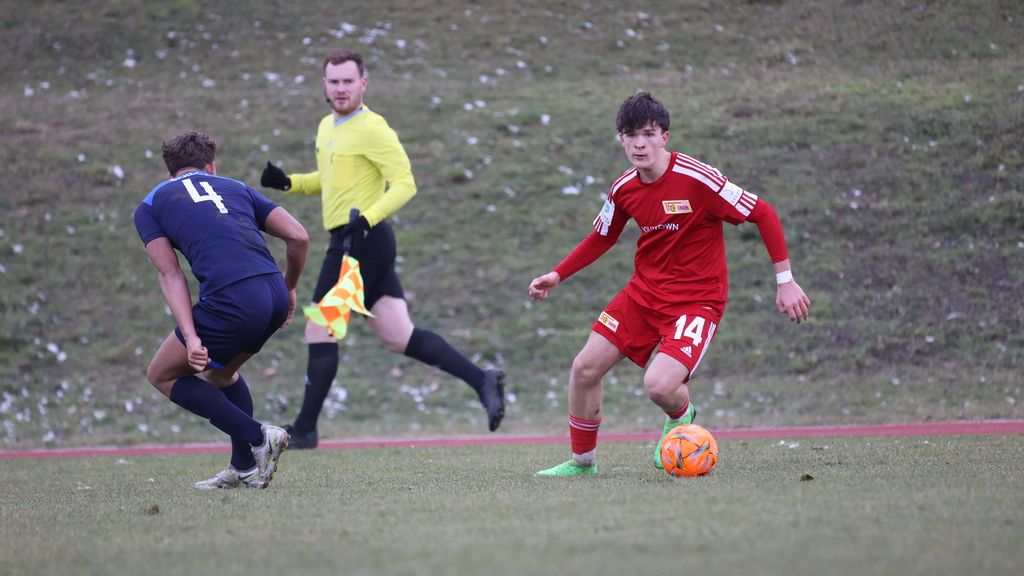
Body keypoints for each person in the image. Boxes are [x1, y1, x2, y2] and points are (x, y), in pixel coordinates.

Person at [529, 93, 810, 476]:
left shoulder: (698, 179)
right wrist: (558, 274)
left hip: (697, 301)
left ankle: (683, 414)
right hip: (643, 296)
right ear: (621, 140)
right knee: (584, 368)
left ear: (665, 136)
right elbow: (603, 236)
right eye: (630, 135)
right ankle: (582, 464)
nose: (639, 143)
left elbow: (763, 212)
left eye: (648, 134)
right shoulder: (624, 188)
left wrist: (786, 282)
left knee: (659, 386)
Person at [259, 48, 505, 449]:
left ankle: (305, 429)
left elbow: (405, 182)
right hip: (351, 239)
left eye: (348, 81)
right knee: (397, 334)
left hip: (362, 241)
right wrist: (289, 183)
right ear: (324, 85)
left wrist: (367, 218)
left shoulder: (374, 128)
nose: (340, 88)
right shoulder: (327, 127)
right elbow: (332, 178)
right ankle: (483, 379)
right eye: (334, 81)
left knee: (321, 326)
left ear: (363, 84)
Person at [134, 131, 310, 489]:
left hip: (234, 299)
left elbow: (170, 273)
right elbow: (299, 236)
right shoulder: (235, 187)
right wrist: (289, 288)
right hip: (272, 292)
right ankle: (243, 467)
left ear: (170, 175)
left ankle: (260, 437)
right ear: (211, 166)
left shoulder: (151, 205)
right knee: (221, 375)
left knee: (162, 375)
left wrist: (193, 335)